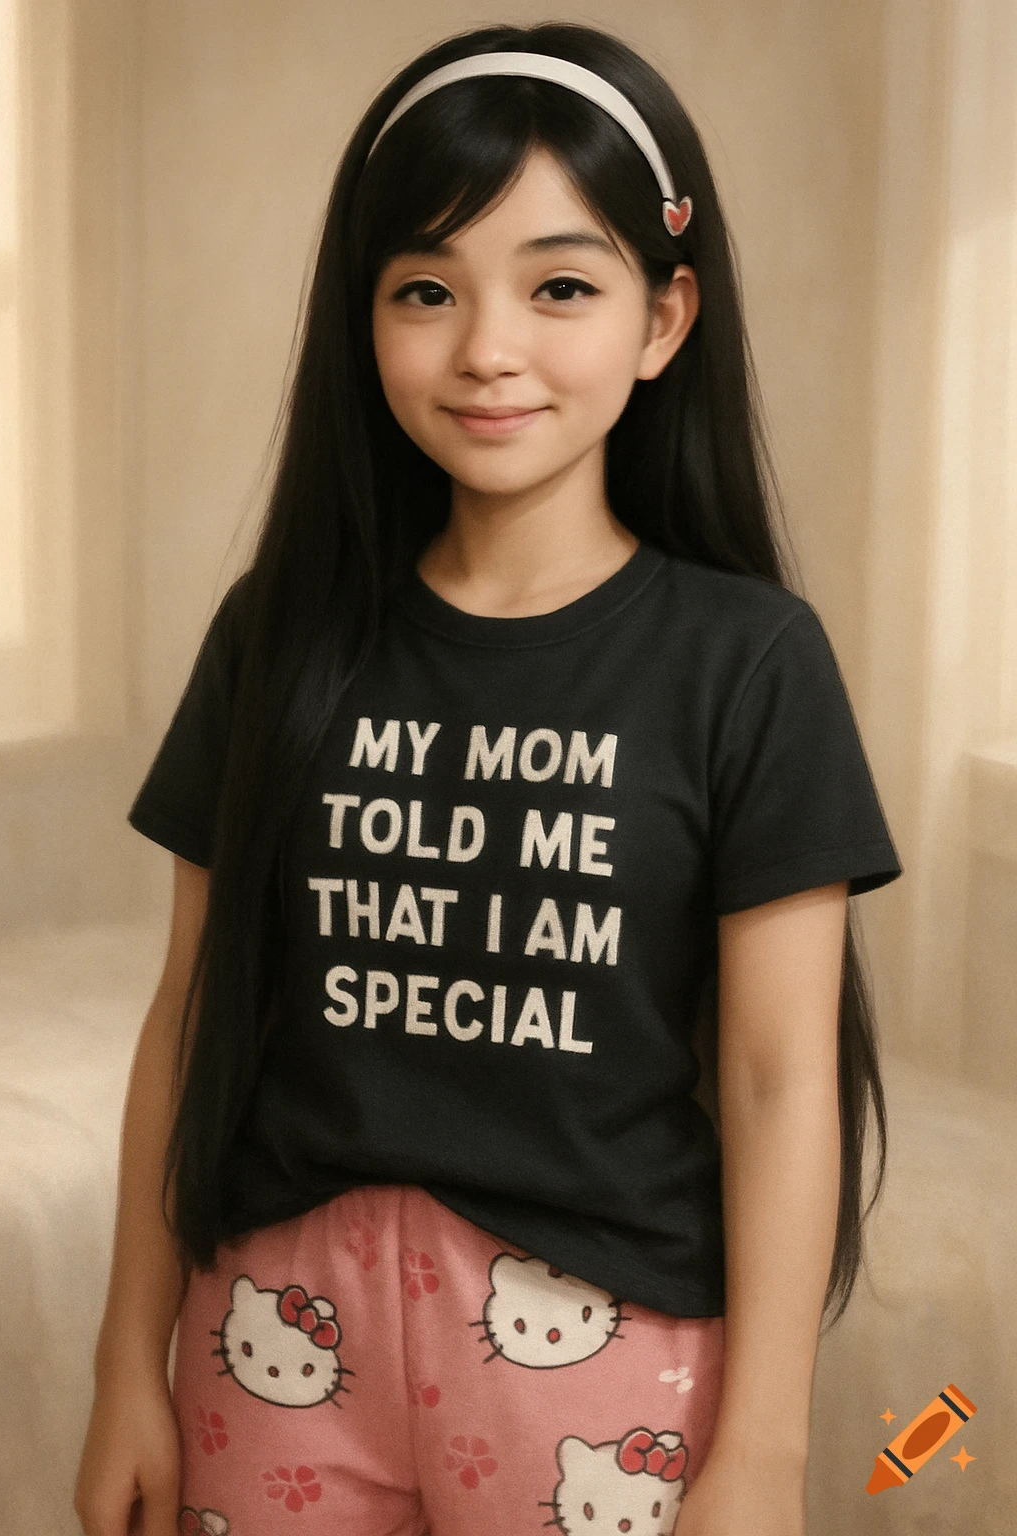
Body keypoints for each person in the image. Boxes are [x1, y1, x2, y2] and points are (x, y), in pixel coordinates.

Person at [75, 20, 903, 1536]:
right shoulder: (283, 633)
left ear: (665, 320)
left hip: (600, 1356)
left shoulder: (749, 661)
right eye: (426, 291)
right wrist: (125, 1363)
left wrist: (766, 1454)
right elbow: (193, 1009)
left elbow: (783, 1083)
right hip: (276, 1323)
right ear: (364, 320)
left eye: (562, 286)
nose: (488, 349)